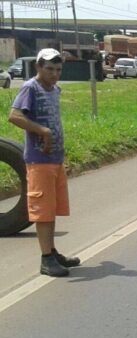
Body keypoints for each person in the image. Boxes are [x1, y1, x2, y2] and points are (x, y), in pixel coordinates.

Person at [8, 48, 81, 277]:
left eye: (58, 69)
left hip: (55, 159)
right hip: (39, 160)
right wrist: (43, 132)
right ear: (38, 67)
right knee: (43, 211)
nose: (54, 74)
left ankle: (51, 251)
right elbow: (15, 116)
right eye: (49, 69)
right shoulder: (31, 87)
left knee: (52, 209)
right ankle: (46, 259)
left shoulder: (54, 89)